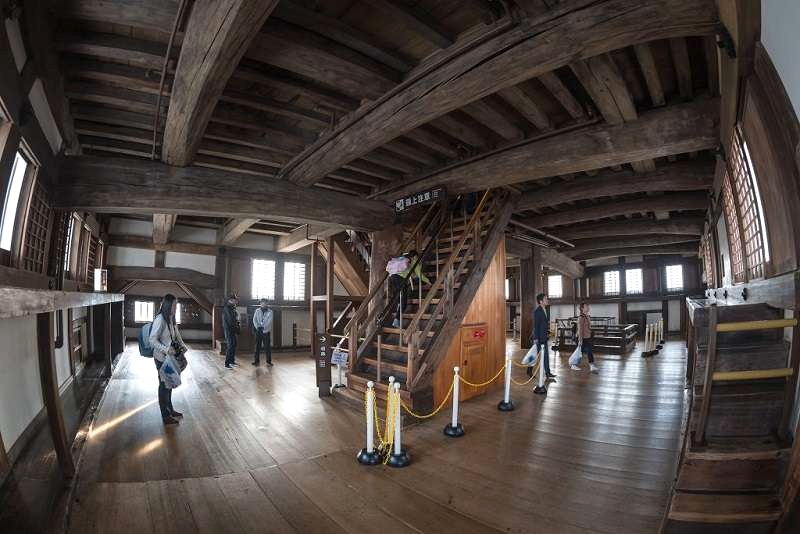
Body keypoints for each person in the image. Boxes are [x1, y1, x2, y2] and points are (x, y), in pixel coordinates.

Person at [148, 294, 188, 425]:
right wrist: (166, 349)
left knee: (169, 383)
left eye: (176, 305)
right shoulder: (160, 319)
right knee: (164, 385)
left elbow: (176, 334)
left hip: (170, 358)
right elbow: (152, 340)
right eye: (174, 305)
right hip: (161, 358)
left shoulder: (171, 318)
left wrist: (182, 346)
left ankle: (170, 410)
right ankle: (165, 415)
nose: (176, 307)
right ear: (168, 305)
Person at [390, 250, 431, 328]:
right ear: (415, 256)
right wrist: (428, 281)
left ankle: (398, 306)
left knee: (400, 295)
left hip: (393, 276)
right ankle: (397, 320)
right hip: (401, 278)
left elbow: (412, 274)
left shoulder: (404, 259)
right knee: (404, 301)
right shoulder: (415, 260)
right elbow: (419, 275)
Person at [527, 293, 556, 379]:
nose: (547, 300)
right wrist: (536, 338)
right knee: (535, 355)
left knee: (545, 355)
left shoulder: (545, 310)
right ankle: (529, 370)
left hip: (544, 337)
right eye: (546, 299)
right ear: (541, 301)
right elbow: (536, 325)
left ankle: (547, 373)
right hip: (538, 338)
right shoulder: (537, 311)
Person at [572, 302, 599, 373]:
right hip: (581, 338)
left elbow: (588, 327)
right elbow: (580, 330)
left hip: (587, 337)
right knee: (580, 352)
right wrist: (580, 340)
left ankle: (591, 365)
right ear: (582, 308)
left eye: (588, 306)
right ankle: (574, 365)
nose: (588, 307)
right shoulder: (581, 318)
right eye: (586, 306)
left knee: (587, 351)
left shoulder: (587, 316)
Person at [252, 298, 273, 367]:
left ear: (267, 303)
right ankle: (256, 360)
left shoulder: (270, 311)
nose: (263, 304)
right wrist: (257, 327)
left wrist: (263, 327)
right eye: (262, 302)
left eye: (265, 302)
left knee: (267, 347)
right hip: (258, 331)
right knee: (257, 346)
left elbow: (269, 321)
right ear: (260, 303)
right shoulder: (257, 310)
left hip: (266, 331)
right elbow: (254, 320)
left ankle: (268, 361)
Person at [223, 293, 240, 369]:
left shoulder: (232, 307)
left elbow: (235, 319)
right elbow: (230, 320)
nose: (236, 301)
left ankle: (232, 361)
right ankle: (227, 364)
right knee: (230, 346)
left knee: (234, 345)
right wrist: (236, 328)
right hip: (229, 330)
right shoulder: (227, 308)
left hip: (232, 329)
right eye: (235, 300)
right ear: (230, 300)